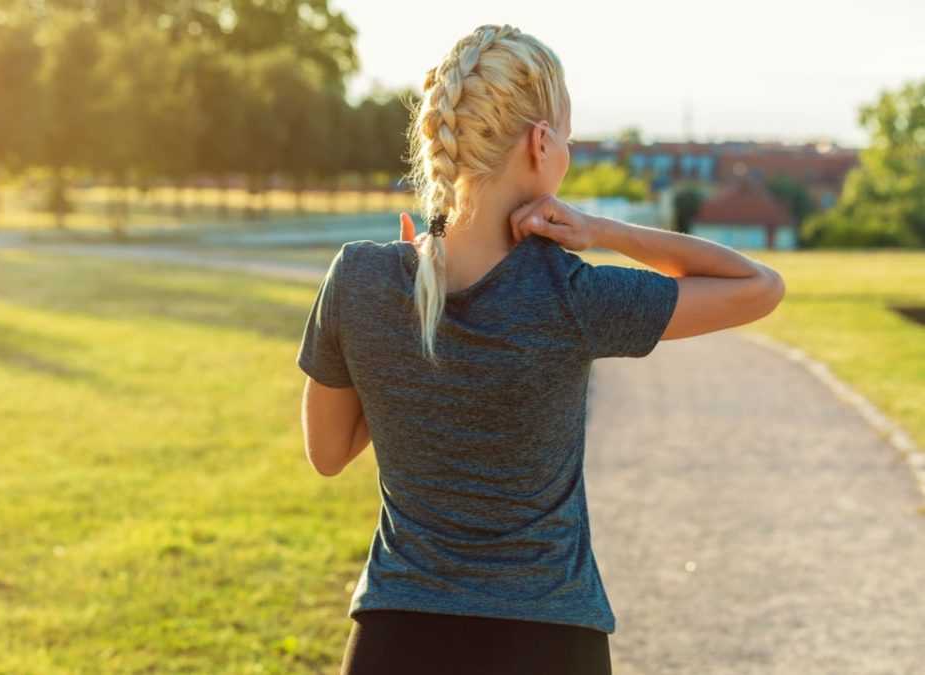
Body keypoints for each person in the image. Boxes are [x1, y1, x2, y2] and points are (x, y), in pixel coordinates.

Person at [296, 23, 785, 675]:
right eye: (569, 138)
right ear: (540, 141)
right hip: (548, 642)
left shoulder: (358, 278)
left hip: (395, 639)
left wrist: (381, 334)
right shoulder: (569, 292)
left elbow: (328, 453)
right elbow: (758, 286)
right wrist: (601, 229)